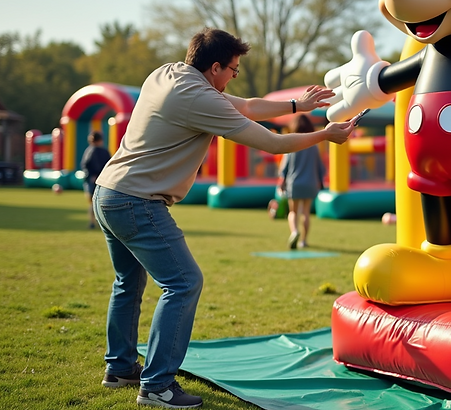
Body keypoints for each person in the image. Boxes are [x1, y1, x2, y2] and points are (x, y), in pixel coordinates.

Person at [92, 27, 357, 409]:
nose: (234, 75)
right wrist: (324, 136)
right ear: (214, 67)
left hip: (109, 193)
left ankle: (119, 368)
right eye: (232, 69)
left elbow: (247, 106)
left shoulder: (168, 73)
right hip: (137, 200)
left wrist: (299, 106)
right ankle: (156, 386)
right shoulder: (200, 98)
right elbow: (273, 143)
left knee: (127, 283)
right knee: (184, 283)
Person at [278, 114, 326, 249]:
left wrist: (282, 181)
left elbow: (285, 166)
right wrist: (320, 181)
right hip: (311, 183)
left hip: (295, 183)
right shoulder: (314, 146)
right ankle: (303, 240)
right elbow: (320, 167)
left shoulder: (292, 143)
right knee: (306, 213)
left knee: (293, 212)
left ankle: (294, 231)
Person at [80, 131, 111, 229]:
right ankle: (98, 222)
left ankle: (93, 221)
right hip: (101, 179)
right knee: (98, 202)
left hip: (91, 179)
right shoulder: (101, 151)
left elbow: (85, 164)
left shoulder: (89, 151)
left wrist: (91, 175)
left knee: (93, 202)